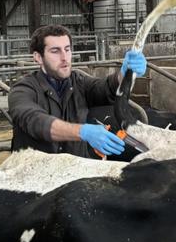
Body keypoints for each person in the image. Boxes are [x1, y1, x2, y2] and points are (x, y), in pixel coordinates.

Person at [8, 24, 147, 158]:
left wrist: (125, 73)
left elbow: (106, 89)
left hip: (76, 169)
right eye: (55, 51)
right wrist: (82, 132)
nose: (64, 58)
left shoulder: (78, 81)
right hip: (35, 172)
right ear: (38, 57)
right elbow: (34, 121)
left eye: (67, 49)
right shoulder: (23, 89)